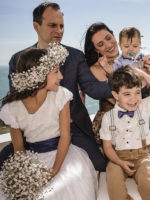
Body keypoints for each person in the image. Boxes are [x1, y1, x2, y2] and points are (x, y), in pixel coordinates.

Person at [1, 2, 111, 171]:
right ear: (36, 26)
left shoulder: (75, 56)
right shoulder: (18, 59)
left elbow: (92, 88)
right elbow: (17, 102)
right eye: (52, 25)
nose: (59, 31)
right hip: (33, 134)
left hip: (74, 129)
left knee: (100, 166)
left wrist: (130, 84)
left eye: (61, 26)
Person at [0, 44, 97, 199]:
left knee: (62, 189)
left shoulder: (61, 96)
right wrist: (29, 173)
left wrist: (54, 170)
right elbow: (19, 151)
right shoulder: (12, 110)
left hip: (63, 155)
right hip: (33, 160)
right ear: (39, 75)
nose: (61, 77)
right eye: (56, 72)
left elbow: (66, 137)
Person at [84, 22, 150, 168]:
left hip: (137, 113)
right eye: (101, 44)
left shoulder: (134, 59)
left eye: (108, 38)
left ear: (115, 36)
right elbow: (117, 100)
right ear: (96, 50)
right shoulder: (97, 68)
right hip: (111, 118)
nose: (108, 45)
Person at [100, 66, 150, 200]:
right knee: (112, 175)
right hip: (118, 157)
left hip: (141, 156)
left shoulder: (143, 107)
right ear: (115, 95)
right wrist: (120, 162)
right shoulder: (108, 117)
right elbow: (107, 147)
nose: (134, 99)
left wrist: (142, 74)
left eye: (137, 92)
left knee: (146, 176)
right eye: (127, 94)